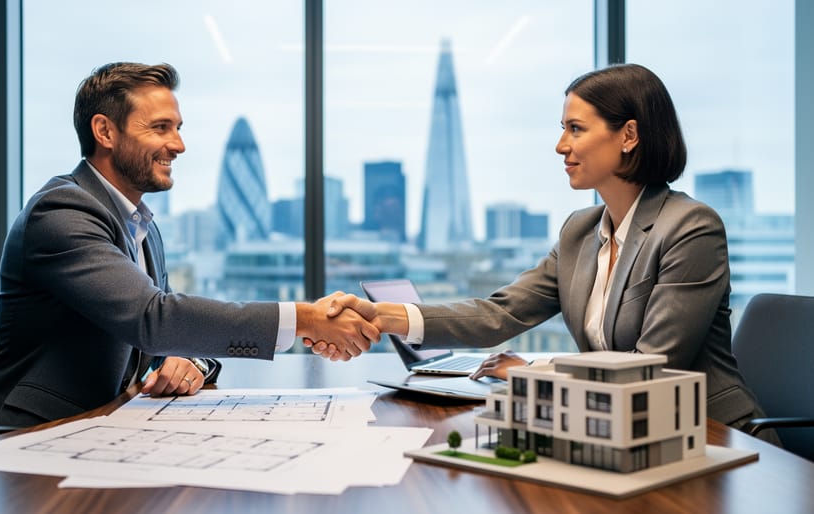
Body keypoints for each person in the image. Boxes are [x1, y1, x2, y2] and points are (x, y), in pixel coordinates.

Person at [318, 63, 778, 441]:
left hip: (713, 436)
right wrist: (381, 315)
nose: (561, 146)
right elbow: (498, 313)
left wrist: (535, 371)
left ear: (629, 135)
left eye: (576, 129)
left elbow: (653, 365)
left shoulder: (690, 228)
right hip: (623, 432)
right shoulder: (580, 231)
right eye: (563, 129)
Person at [0, 62, 377, 428]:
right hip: (32, 436)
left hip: (106, 423)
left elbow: (166, 334)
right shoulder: (61, 211)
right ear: (105, 131)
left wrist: (193, 362)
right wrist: (305, 318)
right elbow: (153, 319)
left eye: (178, 129)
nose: (179, 145)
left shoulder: (138, 222)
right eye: (161, 128)